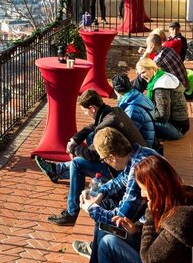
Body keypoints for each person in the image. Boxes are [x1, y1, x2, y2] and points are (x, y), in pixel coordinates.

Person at [61, 128, 161, 263]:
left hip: (152, 244)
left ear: (112, 157)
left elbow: (122, 217)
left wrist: (91, 208)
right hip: (147, 231)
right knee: (104, 228)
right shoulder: (139, 156)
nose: (142, 194)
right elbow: (118, 183)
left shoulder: (139, 169)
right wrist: (98, 194)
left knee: (107, 236)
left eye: (104, 159)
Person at [35, 90, 146, 226]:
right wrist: (74, 140)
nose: (85, 114)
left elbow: (91, 155)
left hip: (123, 168)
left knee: (77, 163)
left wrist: (73, 149)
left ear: (92, 108)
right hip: (128, 159)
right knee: (87, 142)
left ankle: (72, 212)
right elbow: (91, 127)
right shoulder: (112, 112)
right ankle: (56, 170)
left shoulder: (107, 124)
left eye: (85, 111)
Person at [137, 58, 190, 141]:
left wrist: (144, 113)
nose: (142, 76)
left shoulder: (161, 88)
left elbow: (162, 116)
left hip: (177, 129)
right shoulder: (163, 75)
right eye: (140, 73)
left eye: (143, 72)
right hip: (181, 124)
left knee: (139, 120)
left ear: (153, 68)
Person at [112, 73, 157, 153]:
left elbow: (129, 133)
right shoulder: (137, 95)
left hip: (143, 148)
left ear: (116, 91)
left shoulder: (132, 109)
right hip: (149, 138)